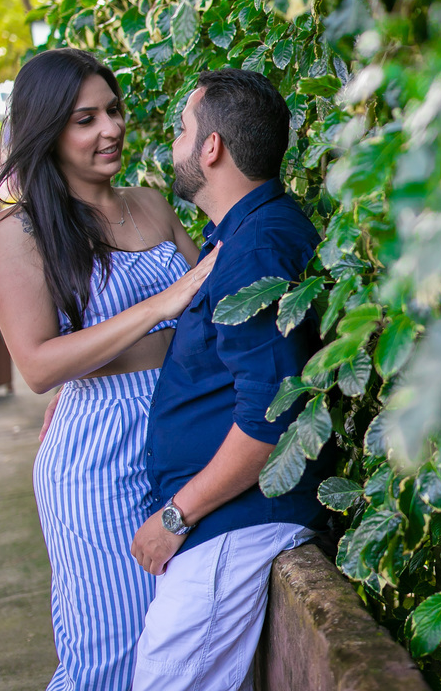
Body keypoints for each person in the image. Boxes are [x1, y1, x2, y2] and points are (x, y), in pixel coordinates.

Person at [0, 48, 218, 690]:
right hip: (97, 453)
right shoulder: (23, 231)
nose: (111, 128)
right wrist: (161, 304)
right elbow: (35, 365)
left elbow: (209, 313)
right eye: (84, 119)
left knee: (184, 648)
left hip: (180, 431)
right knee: (113, 651)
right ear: (48, 131)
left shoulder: (152, 204)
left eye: (112, 111)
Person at [128, 68, 329, 691]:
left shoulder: (257, 247)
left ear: (211, 148)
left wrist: (178, 515)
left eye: (184, 130)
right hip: (226, 524)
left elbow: (274, 415)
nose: (176, 145)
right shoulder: (240, 235)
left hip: (233, 526)